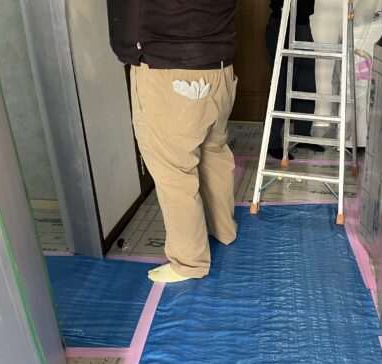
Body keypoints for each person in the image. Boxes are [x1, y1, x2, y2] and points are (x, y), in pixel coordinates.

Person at [107, 0, 238, 283]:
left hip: (167, 66)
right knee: (213, 150)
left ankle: (189, 262)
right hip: (219, 64)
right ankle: (224, 229)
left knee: (173, 170)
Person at [266, 0, 324, 160]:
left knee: (305, 83)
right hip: (282, 23)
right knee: (280, 86)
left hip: (302, 24)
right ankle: (271, 143)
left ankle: (302, 135)